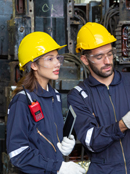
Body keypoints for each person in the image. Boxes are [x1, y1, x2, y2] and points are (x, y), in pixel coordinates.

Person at [67, 22, 130, 174]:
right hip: (105, 170)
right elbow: (90, 141)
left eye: (109, 54)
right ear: (85, 59)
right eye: (99, 57)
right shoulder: (79, 95)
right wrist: (123, 124)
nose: (108, 61)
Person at [7, 31, 86, 174]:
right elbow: (18, 154)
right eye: (50, 59)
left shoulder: (54, 96)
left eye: (57, 58)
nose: (57, 63)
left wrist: (63, 145)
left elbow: (48, 138)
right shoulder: (22, 100)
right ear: (34, 65)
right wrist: (58, 167)